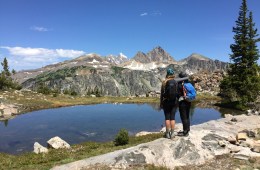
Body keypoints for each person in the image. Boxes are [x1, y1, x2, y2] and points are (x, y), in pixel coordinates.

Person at [160, 68, 178, 139]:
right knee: (172, 118)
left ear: (167, 74)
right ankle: (172, 134)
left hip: (166, 102)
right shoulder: (175, 82)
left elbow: (161, 94)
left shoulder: (164, 82)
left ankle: (167, 134)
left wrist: (161, 102)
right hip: (174, 102)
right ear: (173, 74)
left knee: (167, 118)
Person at [177, 72, 192, 137]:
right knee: (187, 116)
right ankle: (187, 129)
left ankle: (185, 132)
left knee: (183, 117)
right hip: (188, 101)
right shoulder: (188, 84)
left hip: (182, 103)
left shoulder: (180, 85)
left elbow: (177, 94)